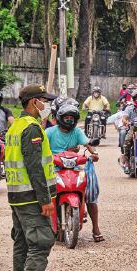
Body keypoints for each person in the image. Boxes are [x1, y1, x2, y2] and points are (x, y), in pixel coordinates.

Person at [4, 84, 61, 271]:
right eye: (43, 100)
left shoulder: (15, 126)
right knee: (41, 241)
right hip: (31, 198)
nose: (46, 105)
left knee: (23, 243)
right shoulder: (31, 129)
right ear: (33, 102)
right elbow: (35, 167)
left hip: (18, 197)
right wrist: (45, 199)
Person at [46, 101, 103, 242]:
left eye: (72, 118)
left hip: (74, 167)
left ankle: (96, 228)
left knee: (90, 193)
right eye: (67, 118)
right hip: (54, 168)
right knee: (43, 193)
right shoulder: (50, 132)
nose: (69, 120)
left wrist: (94, 153)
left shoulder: (77, 132)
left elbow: (88, 145)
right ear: (60, 118)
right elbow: (42, 147)